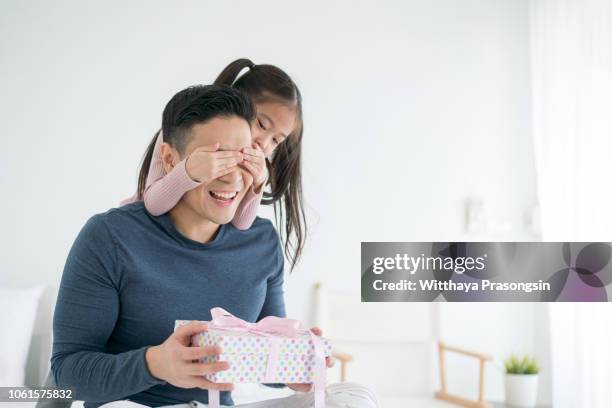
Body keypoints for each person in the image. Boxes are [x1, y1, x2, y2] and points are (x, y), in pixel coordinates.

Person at [51, 84, 378, 408]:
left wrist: (294, 364)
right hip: (131, 405)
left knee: (353, 398)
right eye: (217, 158)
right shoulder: (110, 237)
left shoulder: (260, 242)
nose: (232, 178)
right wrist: (154, 364)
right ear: (169, 158)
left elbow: (264, 358)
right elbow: (67, 375)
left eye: (243, 159)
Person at [122, 59, 306, 272]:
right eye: (261, 125)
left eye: (276, 140)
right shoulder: (180, 130)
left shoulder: (253, 159)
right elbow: (153, 204)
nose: (263, 144)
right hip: (145, 235)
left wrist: (258, 184)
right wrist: (189, 171)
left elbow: (240, 223)